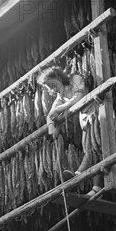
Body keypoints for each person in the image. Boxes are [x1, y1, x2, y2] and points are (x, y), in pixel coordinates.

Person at [36, 65, 103, 196]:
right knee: (90, 150)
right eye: (49, 88)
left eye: (53, 84)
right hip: (84, 118)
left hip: (97, 112)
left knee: (93, 148)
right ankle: (96, 187)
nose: (53, 88)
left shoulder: (75, 79)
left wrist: (60, 109)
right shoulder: (60, 97)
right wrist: (52, 129)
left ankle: (79, 174)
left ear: (58, 77)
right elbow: (50, 115)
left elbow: (78, 98)